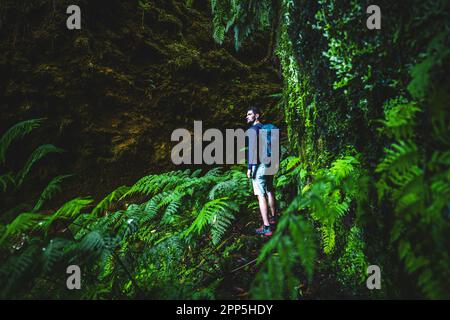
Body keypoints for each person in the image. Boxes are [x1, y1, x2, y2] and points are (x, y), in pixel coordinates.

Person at [246, 107, 278, 236]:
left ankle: (266, 227)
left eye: (249, 114)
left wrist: (249, 168)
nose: (247, 116)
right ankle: (274, 218)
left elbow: (252, 150)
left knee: (260, 194)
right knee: (270, 190)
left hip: (259, 165)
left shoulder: (253, 130)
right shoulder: (266, 129)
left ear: (257, 116)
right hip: (270, 163)